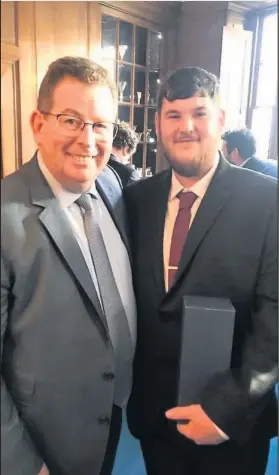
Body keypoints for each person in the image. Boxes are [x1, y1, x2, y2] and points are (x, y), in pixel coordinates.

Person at [124, 67, 277, 475]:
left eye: (200, 113)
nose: (186, 127)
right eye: (173, 115)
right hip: (156, 417)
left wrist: (230, 409)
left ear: (222, 121)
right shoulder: (136, 200)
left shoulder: (267, 200)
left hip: (231, 424)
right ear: (158, 124)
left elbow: (274, 317)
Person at [1, 56, 136, 475]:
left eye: (100, 125)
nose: (89, 140)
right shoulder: (6, 216)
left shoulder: (110, 185)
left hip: (113, 415)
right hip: (42, 438)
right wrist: (23, 464)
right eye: (72, 120)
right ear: (38, 124)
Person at [108, 121, 141, 187]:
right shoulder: (129, 174)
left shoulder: (95, 164)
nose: (128, 161)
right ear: (126, 150)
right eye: (129, 157)